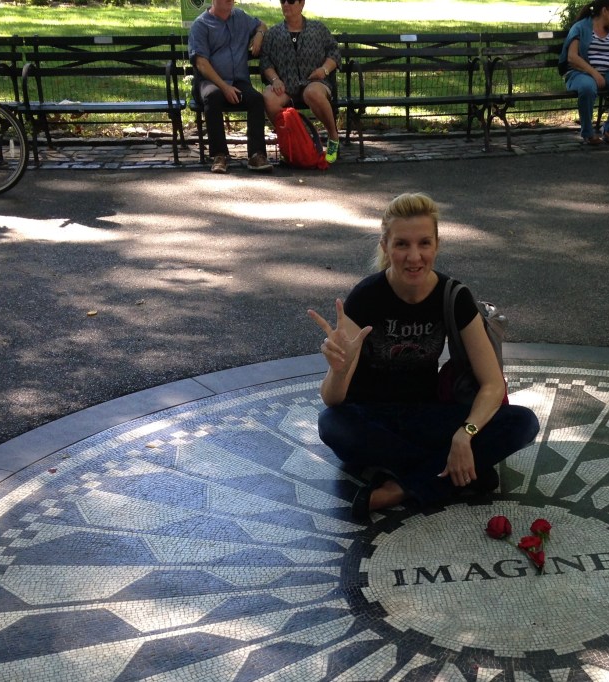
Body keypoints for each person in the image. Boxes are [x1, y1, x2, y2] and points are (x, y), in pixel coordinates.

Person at [307, 193, 539, 522]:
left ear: (437, 245)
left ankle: (403, 486)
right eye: (402, 244)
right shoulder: (366, 297)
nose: (414, 257)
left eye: (424, 243)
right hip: (373, 419)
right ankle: (458, 475)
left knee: (523, 422)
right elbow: (332, 400)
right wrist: (340, 370)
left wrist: (466, 433)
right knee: (331, 425)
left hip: (429, 417)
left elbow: (492, 384)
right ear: (385, 246)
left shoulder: (454, 296)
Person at [188, 0, 271, 174]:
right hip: (209, 81)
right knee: (213, 96)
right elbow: (201, 63)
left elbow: (261, 24)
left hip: (238, 81)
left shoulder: (240, 17)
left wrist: (259, 34)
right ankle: (219, 155)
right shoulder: (201, 25)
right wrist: (224, 87)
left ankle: (256, 155)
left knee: (256, 99)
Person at [261, 0, 340, 164]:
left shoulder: (318, 29)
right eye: (282, 1)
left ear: (302, 3)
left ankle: (333, 137)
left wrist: (324, 70)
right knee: (269, 97)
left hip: (314, 82)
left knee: (312, 93)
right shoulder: (273, 33)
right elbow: (265, 61)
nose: (286, 4)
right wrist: (275, 79)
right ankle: (294, 142)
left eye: (291, 1)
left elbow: (334, 52)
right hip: (286, 85)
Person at [559, 0, 609, 146]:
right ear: (604, 11)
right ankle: (588, 133)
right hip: (580, 73)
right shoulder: (581, 27)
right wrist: (594, 73)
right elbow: (572, 57)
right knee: (587, 87)